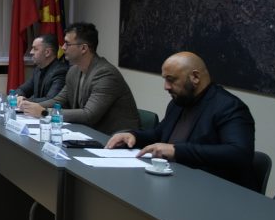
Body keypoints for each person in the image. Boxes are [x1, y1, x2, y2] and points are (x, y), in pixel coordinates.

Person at [106, 52, 255, 188]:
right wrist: (133, 136)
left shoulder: (229, 107)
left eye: (171, 80)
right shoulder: (179, 102)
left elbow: (239, 153)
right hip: (173, 182)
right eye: (165, 79)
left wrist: (176, 150)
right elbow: (159, 135)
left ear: (195, 77)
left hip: (210, 190)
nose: (166, 87)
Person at [21, 21, 139, 134]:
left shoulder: (106, 74)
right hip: (88, 134)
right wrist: (29, 104)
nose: (63, 47)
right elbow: (59, 100)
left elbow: (89, 115)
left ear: (83, 48)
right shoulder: (74, 71)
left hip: (117, 138)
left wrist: (44, 112)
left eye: (67, 43)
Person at [15, 33, 67, 103]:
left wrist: (24, 100)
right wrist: (19, 96)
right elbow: (22, 90)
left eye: (35, 49)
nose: (31, 52)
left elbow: (51, 100)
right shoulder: (38, 69)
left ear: (47, 52)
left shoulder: (61, 71)